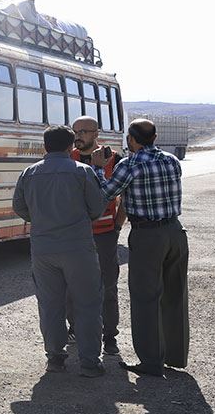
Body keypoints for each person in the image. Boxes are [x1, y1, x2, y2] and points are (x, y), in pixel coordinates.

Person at [92, 118, 187, 378]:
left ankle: (151, 361)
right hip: (175, 232)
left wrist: (99, 168)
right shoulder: (171, 160)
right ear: (154, 138)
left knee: (146, 298)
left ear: (131, 140)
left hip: (147, 235)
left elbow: (104, 194)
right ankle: (175, 355)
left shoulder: (129, 164)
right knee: (174, 294)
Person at [12, 125, 107, 377]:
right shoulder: (82, 171)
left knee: (50, 304)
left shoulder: (28, 173)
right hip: (78, 248)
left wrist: (42, 219)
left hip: (43, 249)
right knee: (86, 304)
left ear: (45, 146)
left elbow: (19, 208)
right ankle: (89, 362)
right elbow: (97, 208)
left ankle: (55, 358)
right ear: (70, 147)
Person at [65, 116, 126, 356]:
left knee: (107, 287)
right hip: (76, 236)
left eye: (84, 131)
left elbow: (124, 199)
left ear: (96, 134)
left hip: (104, 235)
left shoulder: (115, 160)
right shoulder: (68, 159)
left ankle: (109, 336)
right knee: (72, 286)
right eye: (75, 131)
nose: (78, 136)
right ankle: (75, 329)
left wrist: (117, 227)